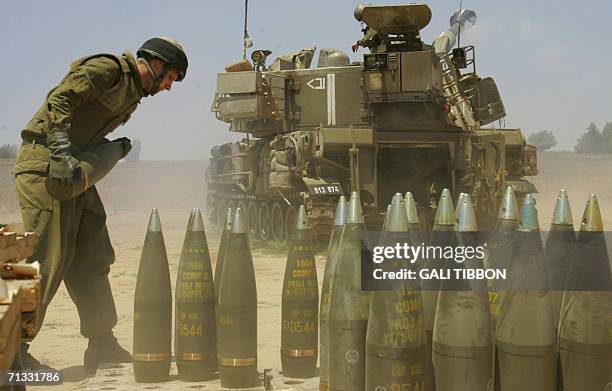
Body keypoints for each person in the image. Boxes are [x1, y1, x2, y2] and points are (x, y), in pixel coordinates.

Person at [13, 37, 188, 374]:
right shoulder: (109, 69)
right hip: (46, 166)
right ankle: (10, 351)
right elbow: (58, 100)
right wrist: (62, 152)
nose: (168, 87)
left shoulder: (131, 96)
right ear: (156, 62)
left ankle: (102, 343)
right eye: (170, 77)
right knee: (44, 259)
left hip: (73, 172)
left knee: (92, 254)